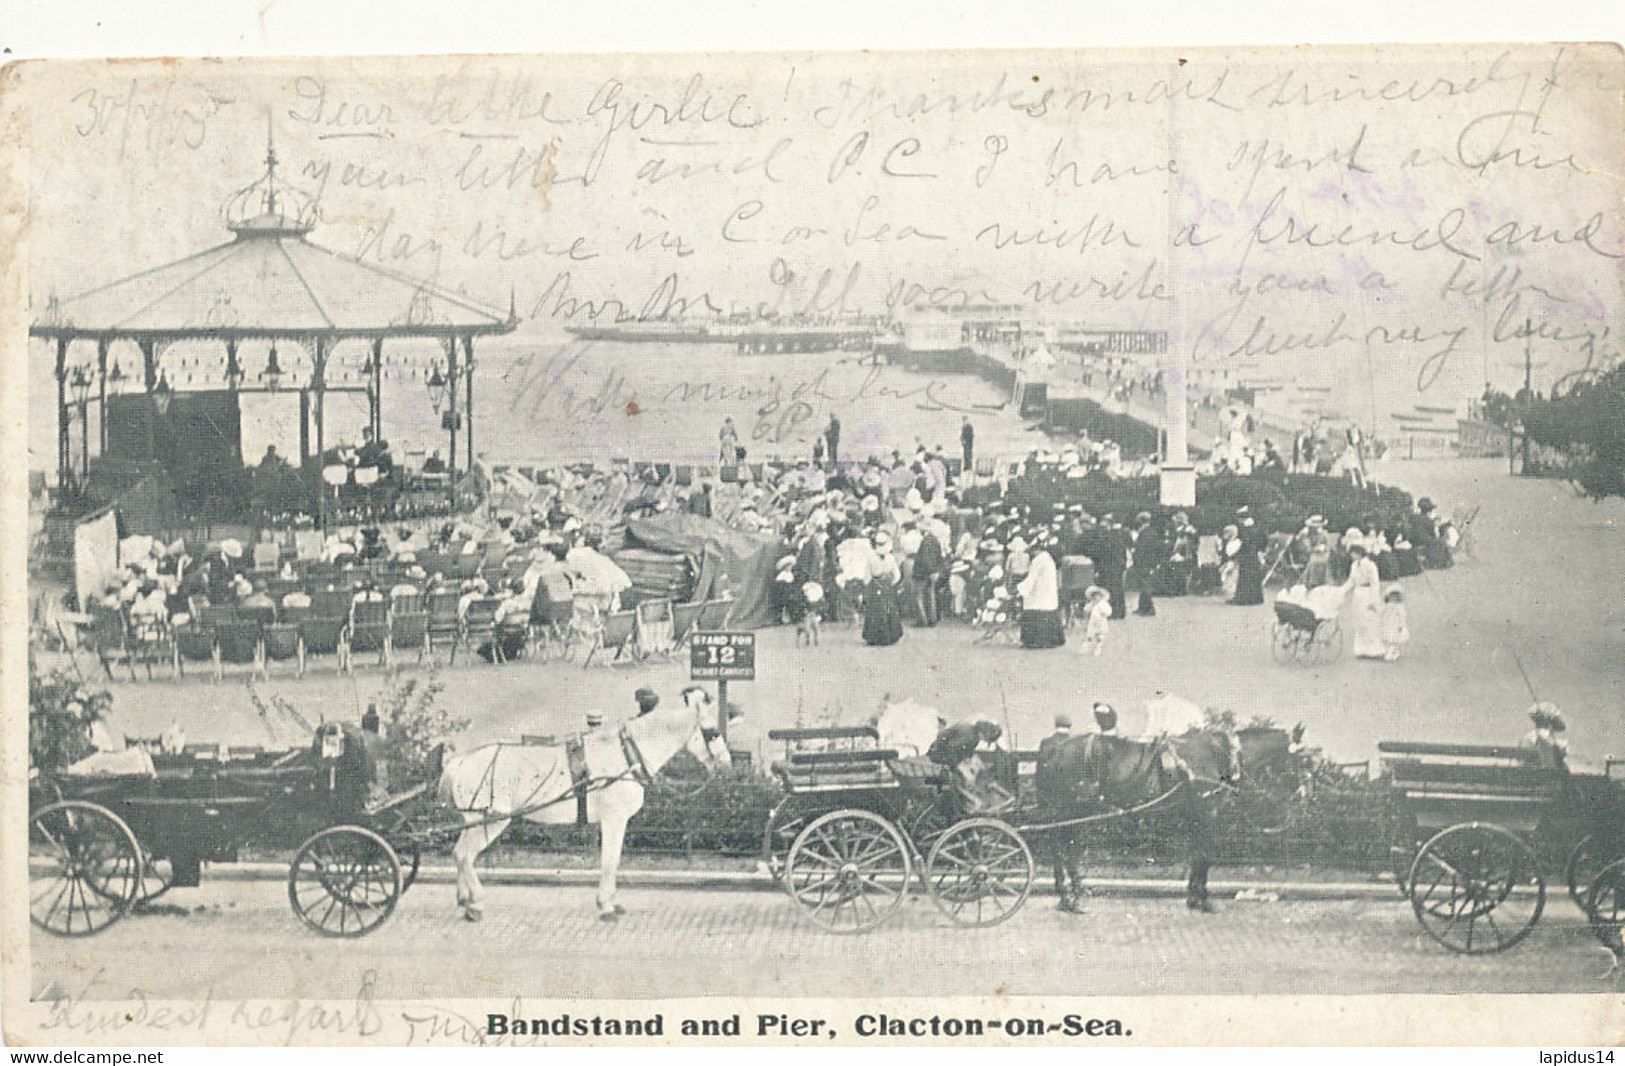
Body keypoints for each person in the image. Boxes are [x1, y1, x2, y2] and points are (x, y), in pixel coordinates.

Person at [1017, 542, 1064, 649]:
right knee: (1047, 610)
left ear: (1036, 550)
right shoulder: (1047, 558)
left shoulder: (1039, 560)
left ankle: (1035, 641)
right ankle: (1050, 640)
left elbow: (1032, 578)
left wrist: (1020, 589)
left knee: (1036, 609)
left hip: (1040, 591)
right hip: (1046, 590)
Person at [861, 533, 905, 646]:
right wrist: (891, 583)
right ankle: (891, 635)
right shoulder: (890, 558)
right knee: (889, 608)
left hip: (875, 584)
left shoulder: (871, 558)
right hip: (887, 585)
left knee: (875, 609)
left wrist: (868, 586)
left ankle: (874, 636)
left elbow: (866, 576)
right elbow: (897, 575)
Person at [1342, 543, 1384, 658]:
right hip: (1358, 594)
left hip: (1368, 593)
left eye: (1353, 554)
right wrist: (1341, 590)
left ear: (1359, 553)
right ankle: (1361, 650)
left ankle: (1375, 650)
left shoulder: (1370, 565)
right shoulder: (1354, 565)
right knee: (1359, 622)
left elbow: (1375, 584)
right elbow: (1351, 580)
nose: (1352, 556)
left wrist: (1373, 601)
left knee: (1370, 622)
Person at [1230, 508, 1266, 606]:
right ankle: (1256, 598)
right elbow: (1263, 539)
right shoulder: (1256, 526)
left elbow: (1244, 540)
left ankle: (1243, 599)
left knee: (1245, 576)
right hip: (1254, 553)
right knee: (1253, 576)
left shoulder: (1244, 528)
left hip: (1246, 553)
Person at [1521, 703, 1569, 769]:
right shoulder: (1546, 737)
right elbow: (1551, 762)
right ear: (1550, 720)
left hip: (1528, 773)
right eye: (1557, 717)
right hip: (1545, 774)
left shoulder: (1528, 736)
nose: (1559, 719)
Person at [1379, 585, 1410, 661]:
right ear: (1388, 597)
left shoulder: (1399, 607)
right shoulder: (1386, 606)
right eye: (1392, 596)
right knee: (1386, 639)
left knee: (1394, 639)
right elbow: (1381, 611)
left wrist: (1401, 625)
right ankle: (1389, 651)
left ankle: (1393, 652)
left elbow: (1402, 616)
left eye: (1396, 596)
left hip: (1395, 625)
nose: (1394, 598)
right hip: (1387, 624)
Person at [1080, 586, 1111, 656]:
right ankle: (1085, 649)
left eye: (1097, 596)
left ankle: (1098, 649)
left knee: (1100, 637)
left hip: (1101, 622)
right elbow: (1086, 609)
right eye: (1093, 596)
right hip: (1093, 623)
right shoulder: (1091, 604)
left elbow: (1108, 611)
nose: (1095, 597)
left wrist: (1103, 613)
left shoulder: (1103, 604)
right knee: (1089, 636)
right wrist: (1086, 612)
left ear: (1101, 596)